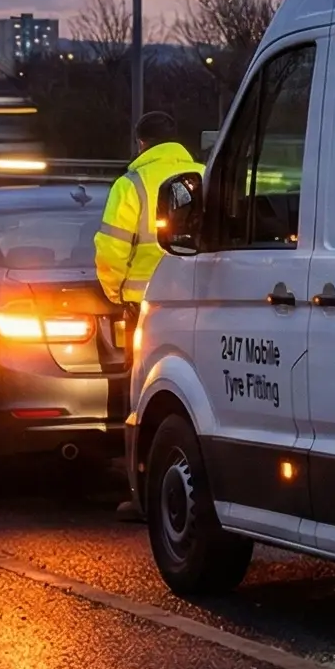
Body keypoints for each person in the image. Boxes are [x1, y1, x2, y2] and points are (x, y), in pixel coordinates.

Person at [97, 111, 195, 519]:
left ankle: (140, 496)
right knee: (187, 399)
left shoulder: (132, 184)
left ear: (141, 143)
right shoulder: (202, 174)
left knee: (140, 398)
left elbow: (112, 249)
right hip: (197, 303)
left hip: (145, 308)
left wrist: (115, 293)